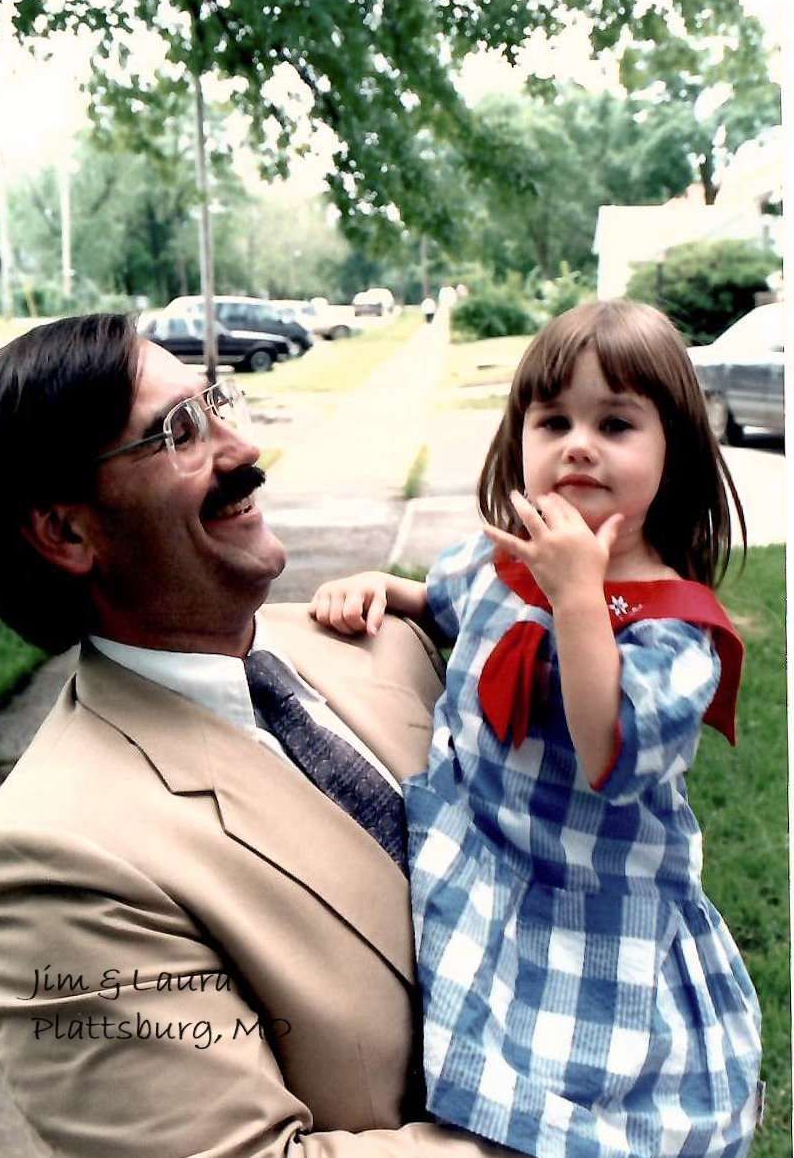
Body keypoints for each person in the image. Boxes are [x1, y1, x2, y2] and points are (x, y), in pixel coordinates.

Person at [0, 313, 512, 1158]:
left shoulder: (381, 639)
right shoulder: (52, 865)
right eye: (179, 433)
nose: (244, 449)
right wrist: (596, 1128)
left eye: (215, 405)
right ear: (66, 533)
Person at [310, 300, 764, 1158]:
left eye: (615, 424)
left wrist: (577, 597)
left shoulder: (672, 627)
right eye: (553, 421)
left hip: (597, 909)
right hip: (485, 866)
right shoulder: (502, 566)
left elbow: (609, 753)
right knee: (464, 1079)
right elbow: (442, 601)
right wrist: (382, 587)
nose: (578, 445)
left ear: (673, 449)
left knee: (583, 1112)